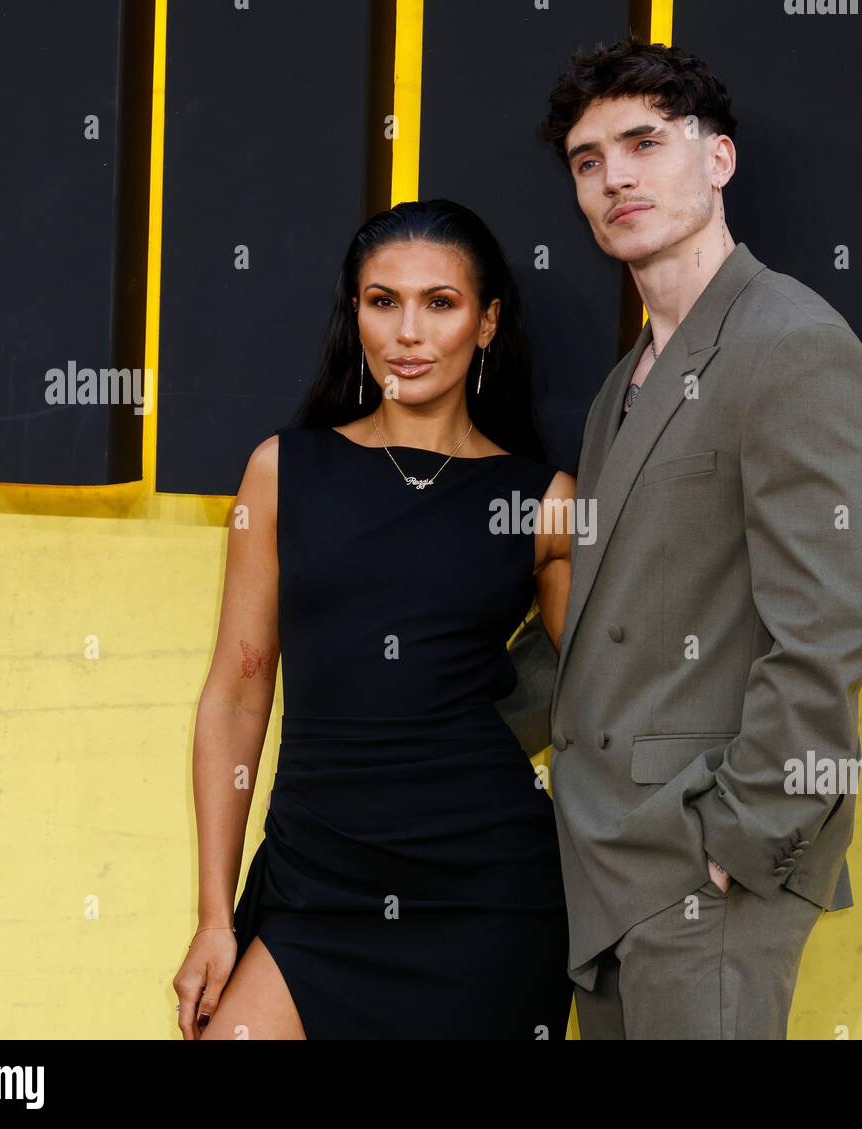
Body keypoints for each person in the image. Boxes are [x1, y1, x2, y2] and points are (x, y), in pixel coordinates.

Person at [537, 39, 862, 1038]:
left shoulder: (792, 342)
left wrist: (740, 839)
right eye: (587, 159)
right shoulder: (623, 384)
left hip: (709, 870)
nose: (615, 177)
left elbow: (826, 629)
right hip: (607, 866)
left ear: (718, 158)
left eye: (643, 143)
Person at [171, 200, 576, 1039]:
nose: (408, 332)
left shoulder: (543, 501)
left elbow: (616, 694)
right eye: (382, 301)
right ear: (354, 313)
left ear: (487, 321)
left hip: (487, 889)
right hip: (315, 881)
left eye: (441, 302)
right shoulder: (285, 470)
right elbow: (238, 693)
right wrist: (215, 913)